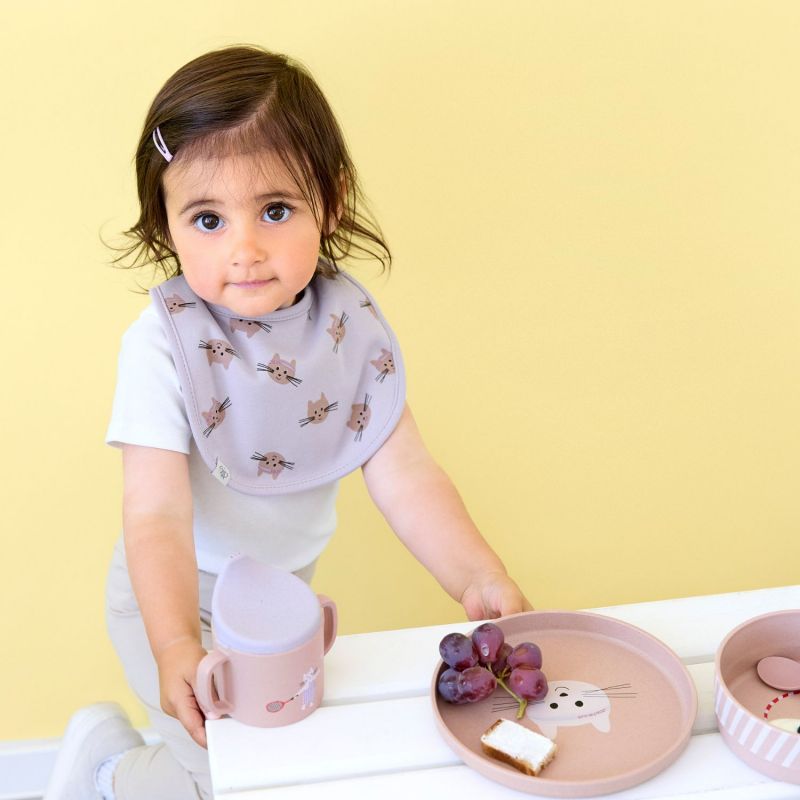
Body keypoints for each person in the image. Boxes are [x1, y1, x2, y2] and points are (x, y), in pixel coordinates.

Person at [45, 44, 532, 800]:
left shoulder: (346, 328)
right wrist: (176, 641)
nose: (244, 250)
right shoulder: (162, 347)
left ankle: (111, 751)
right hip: (178, 599)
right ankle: (108, 774)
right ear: (167, 225)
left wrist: (478, 575)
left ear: (330, 201)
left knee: (271, 762)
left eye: (275, 210)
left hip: (280, 606)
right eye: (207, 218)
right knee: (224, 774)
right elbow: (156, 514)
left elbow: (405, 473)